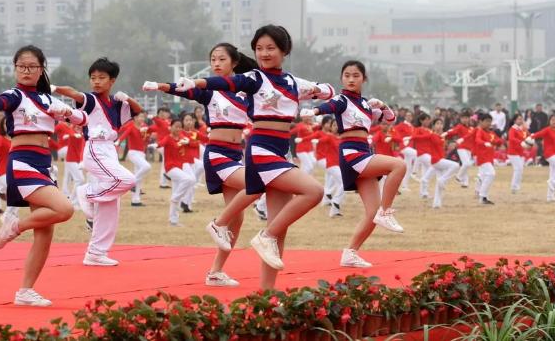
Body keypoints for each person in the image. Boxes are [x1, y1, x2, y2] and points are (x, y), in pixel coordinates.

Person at [172, 24, 334, 289]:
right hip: (262, 150)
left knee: (280, 228)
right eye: (259, 49)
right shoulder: (254, 78)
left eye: (270, 48)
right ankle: (263, 235)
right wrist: (197, 82)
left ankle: (267, 295)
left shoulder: (293, 82)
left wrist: (322, 91)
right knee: (314, 191)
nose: (264, 53)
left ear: (285, 50)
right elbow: (227, 81)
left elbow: (326, 91)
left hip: (283, 150)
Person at [0, 44, 86, 306]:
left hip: (44, 164)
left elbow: (82, 120)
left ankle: (25, 291)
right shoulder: (15, 95)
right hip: (23, 162)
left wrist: (69, 112)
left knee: (45, 231)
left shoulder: (49, 100)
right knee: (64, 209)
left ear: (41, 70)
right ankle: (14, 225)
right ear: (15, 68)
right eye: (21, 66)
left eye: (32, 66)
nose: (26, 71)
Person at [143, 42, 256, 286]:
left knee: (239, 219)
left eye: (221, 59)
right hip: (217, 154)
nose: (216, 63)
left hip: (236, 154)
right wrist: (160, 86)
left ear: (234, 63)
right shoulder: (209, 90)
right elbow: (185, 89)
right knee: (255, 184)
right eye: (213, 59)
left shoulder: (246, 89)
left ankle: (215, 271)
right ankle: (217, 224)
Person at [309, 60, 405, 268]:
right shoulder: (343, 99)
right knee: (399, 166)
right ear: (342, 78)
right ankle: (386, 212)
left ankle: (350, 253)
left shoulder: (365, 104)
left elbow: (390, 119)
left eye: (356, 75)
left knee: (372, 213)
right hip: (352, 153)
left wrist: (383, 106)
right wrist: (315, 112)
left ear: (364, 78)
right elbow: (330, 105)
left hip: (363, 151)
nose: (351, 79)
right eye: (347, 75)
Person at [53, 57, 140, 267]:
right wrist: (52, 87)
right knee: (127, 179)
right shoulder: (90, 99)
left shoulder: (117, 104)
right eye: (93, 78)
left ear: (112, 81)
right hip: (95, 148)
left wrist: (127, 97)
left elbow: (137, 111)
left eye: (102, 78)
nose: (96, 81)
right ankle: (86, 193)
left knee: (111, 205)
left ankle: (96, 252)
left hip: (109, 149)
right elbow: (73, 92)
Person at [526, 115, 555, 202]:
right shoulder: (547, 129)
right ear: (549, 121)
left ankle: (550, 197)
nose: (554, 122)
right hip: (549, 154)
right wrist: (530, 137)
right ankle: (552, 181)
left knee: (553, 173)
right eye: (552, 120)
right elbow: (538, 134)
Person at [116, 112, 151, 206]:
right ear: (135, 118)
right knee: (147, 167)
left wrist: (147, 136)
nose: (142, 118)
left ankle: (136, 200)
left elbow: (146, 139)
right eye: (140, 117)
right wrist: (118, 141)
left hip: (141, 153)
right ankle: (132, 183)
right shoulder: (131, 125)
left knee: (139, 177)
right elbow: (124, 133)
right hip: (133, 153)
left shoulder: (144, 126)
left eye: (143, 117)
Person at [474, 113, 502, 205]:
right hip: (483, 157)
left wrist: (496, 142)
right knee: (491, 174)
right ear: (480, 122)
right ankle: (483, 196)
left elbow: (499, 140)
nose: (489, 123)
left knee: (483, 176)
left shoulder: (491, 133)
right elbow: (477, 140)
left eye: (490, 121)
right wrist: (485, 143)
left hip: (489, 158)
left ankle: (480, 193)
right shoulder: (480, 131)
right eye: (486, 121)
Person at [443, 111, 476, 188]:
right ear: (460, 119)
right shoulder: (459, 126)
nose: (465, 119)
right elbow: (453, 131)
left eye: (466, 118)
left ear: (469, 119)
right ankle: (459, 176)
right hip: (461, 147)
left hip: (469, 148)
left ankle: (465, 182)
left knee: (466, 165)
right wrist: (447, 133)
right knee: (466, 163)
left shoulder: (471, 128)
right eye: (463, 118)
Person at [392, 110, 417, 190]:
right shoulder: (402, 125)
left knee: (407, 168)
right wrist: (397, 141)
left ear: (412, 117)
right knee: (417, 154)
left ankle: (404, 186)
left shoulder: (412, 127)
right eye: (407, 115)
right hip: (403, 147)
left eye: (410, 116)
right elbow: (393, 129)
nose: (409, 117)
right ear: (405, 117)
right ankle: (415, 171)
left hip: (409, 148)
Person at [507, 114, 529, 194]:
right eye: (519, 119)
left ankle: (516, 186)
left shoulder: (522, 129)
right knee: (518, 169)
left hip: (520, 152)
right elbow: (511, 138)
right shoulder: (513, 129)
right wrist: (521, 142)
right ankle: (514, 187)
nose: (520, 120)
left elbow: (527, 136)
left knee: (520, 169)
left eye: (521, 119)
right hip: (513, 152)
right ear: (515, 120)